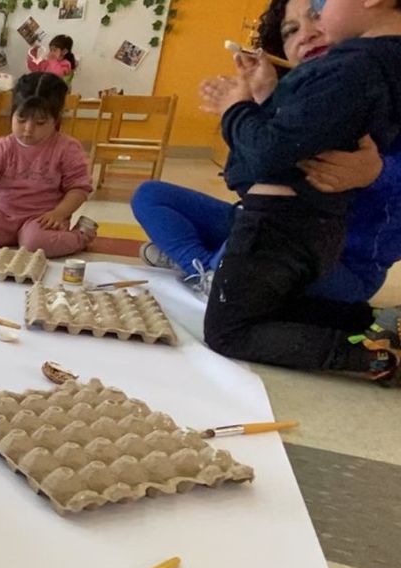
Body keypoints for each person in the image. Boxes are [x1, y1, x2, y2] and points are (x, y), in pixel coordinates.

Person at [134, 0, 400, 305]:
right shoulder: (307, 99)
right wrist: (264, 100)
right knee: (151, 195)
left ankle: (210, 267)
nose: (307, 34)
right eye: (290, 31)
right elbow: (249, 179)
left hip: (336, 263)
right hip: (268, 228)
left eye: (318, 14)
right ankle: (204, 268)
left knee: (257, 234)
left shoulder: (374, 79)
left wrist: (378, 173)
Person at [197, 0, 401, 382]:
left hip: (279, 224)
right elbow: (282, 145)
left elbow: (266, 155)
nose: (312, 27)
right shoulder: (375, 67)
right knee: (275, 304)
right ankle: (365, 323)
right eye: (291, 30)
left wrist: (235, 109)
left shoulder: (351, 68)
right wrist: (266, 97)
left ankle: (373, 358)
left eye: (320, 6)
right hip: (319, 226)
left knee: (227, 331)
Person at [0, 72, 96, 257]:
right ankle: (15, 235)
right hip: (2, 214)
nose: (28, 129)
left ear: (56, 121)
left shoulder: (67, 148)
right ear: (12, 115)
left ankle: (82, 235)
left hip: (43, 218)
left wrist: (59, 213)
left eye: (40, 123)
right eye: (21, 120)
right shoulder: (4, 146)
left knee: (34, 243)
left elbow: (79, 188)